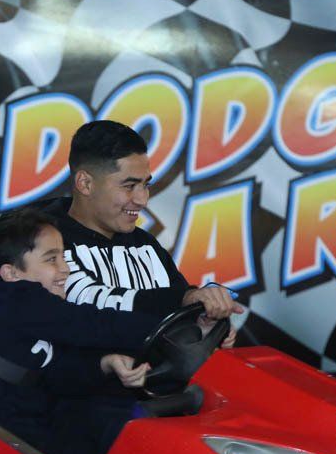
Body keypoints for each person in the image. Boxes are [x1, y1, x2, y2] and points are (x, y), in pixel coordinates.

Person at [0, 208, 158, 454]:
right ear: (11, 273)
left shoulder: (18, 308)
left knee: (114, 417)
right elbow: (95, 325)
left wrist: (105, 363)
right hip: (0, 436)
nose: (65, 269)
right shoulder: (18, 299)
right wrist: (168, 324)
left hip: (23, 416)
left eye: (63, 258)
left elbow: (55, 368)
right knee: (127, 448)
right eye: (51, 259)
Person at [42, 120, 243, 339]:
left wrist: (203, 325)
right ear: (85, 183)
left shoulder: (146, 244)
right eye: (129, 186)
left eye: (146, 185)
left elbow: (180, 318)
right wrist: (184, 299)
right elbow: (88, 299)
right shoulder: (40, 241)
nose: (142, 200)